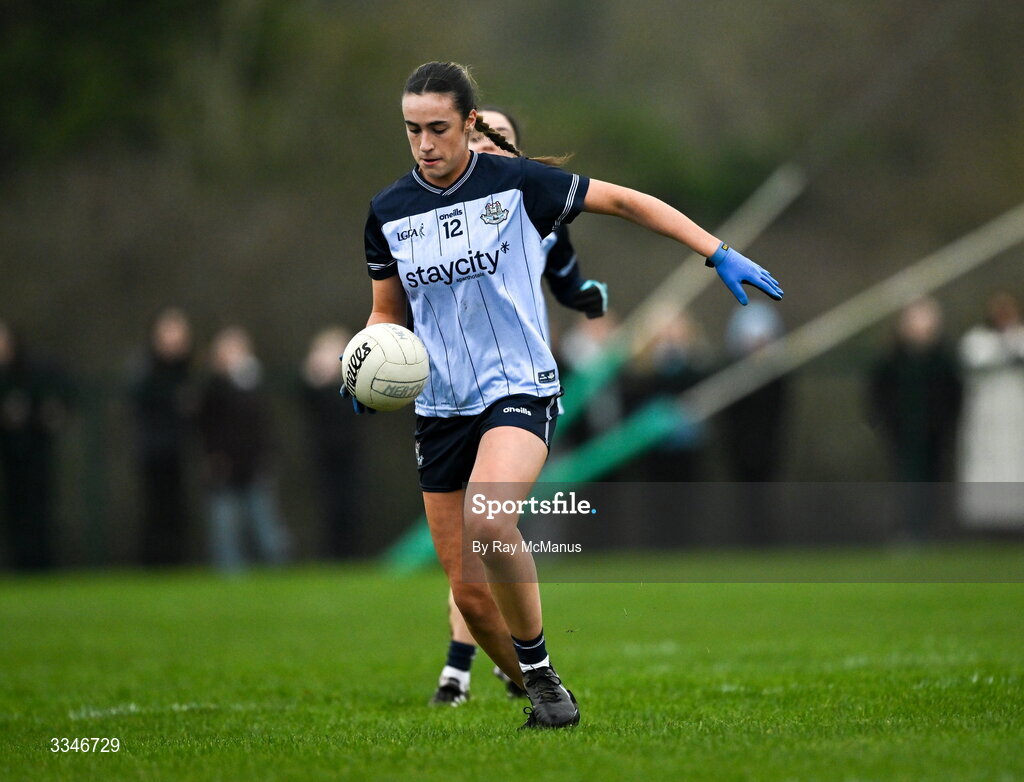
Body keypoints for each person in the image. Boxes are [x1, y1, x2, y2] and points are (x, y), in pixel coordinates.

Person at [356, 61, 782, 729]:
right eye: (412, 130)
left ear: (469, 123)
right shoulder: (388, 212)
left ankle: (543, 675)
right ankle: (531, 683)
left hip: (517, 390)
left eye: (438, 128)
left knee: (491, 522)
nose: (425, 144)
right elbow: (386, 311)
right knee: (468, 594)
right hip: (439, 407)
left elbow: (627, 202)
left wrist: (715, 249)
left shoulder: (522, 184)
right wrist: (368, 360)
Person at [428, 107, 608, 707]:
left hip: (516, 391)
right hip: (451, 399)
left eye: (494, 137)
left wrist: (585, 297)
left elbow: (565, 273)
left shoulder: (537, 206)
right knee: (469, 549)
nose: (482, 145)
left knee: (488, 526)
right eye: (474, 135)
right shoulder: (433, 212)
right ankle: (472, 670)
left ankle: (495, 672)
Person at [197, 326, 290, 572]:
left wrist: (269, 456)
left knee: (267, 530)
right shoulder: (211, 387)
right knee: (225, 532)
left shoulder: (255, 385)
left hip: (255, 467)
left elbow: (265, 425)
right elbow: (204, 425)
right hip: (223, 471)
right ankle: (231, 581)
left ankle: (279, 574)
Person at [868, 298, 961, 540]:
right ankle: (906, 528)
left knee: (933, 480)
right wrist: (881, 421)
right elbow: (877, 394)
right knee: (905, 480)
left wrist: (946, 423)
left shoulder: (944, 361)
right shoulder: (891, 360)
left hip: (934, 434)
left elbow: (954, 396)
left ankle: (929, 530)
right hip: (901, 433)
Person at [0, 321, 75, 570]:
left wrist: (51, 412)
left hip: (35, 453)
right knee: (14, 512)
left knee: (39, 510)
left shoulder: (36, 370)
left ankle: (41, 563)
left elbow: (64, 392)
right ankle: (19, 564)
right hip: (8, 456)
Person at [127, 307, 196, 566]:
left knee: (176, 510)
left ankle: (175, 562)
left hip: (177, 449)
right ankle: (153, 563)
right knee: (156, 510)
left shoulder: (186, 367)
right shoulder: (145, 366)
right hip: (153, 449)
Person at [957, 291, 1024, 527]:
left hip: (1016, 418)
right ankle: (988, 522)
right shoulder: (978, 339)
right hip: (987, 419)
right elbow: (975, 361)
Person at [299, 326, 367, 559]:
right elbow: (305, 396)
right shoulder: (315, 387)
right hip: (325, 455)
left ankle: (351, 555)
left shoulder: (352, 384)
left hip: (350, 454)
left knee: (351, 506)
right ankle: (333, 556)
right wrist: (316, 376)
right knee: (331, 507)